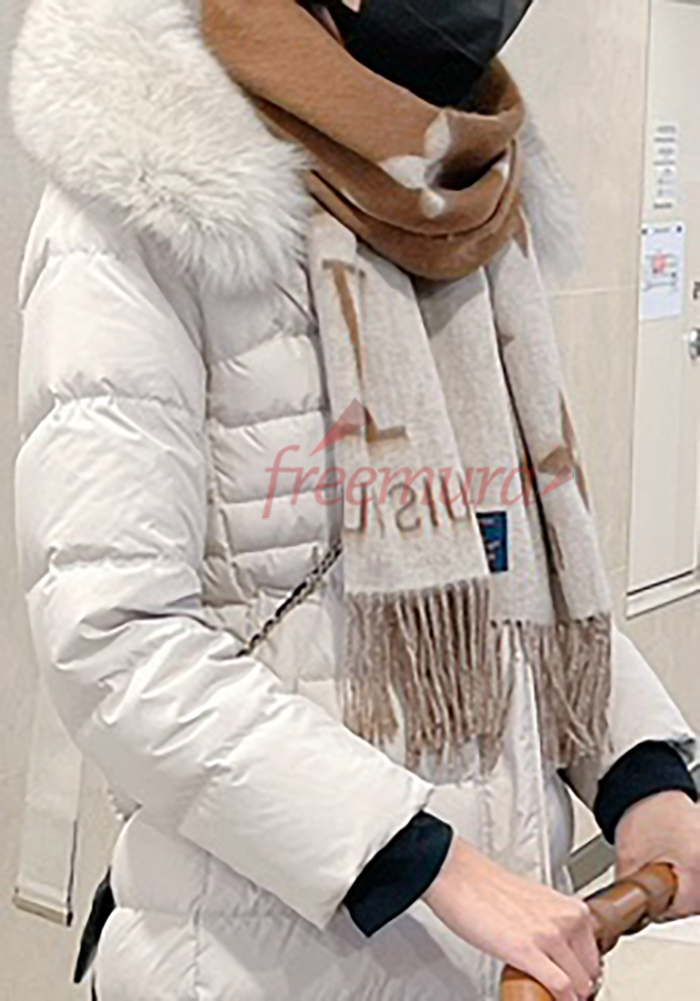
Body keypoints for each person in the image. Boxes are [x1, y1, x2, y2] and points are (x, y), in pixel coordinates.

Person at [10, 1, 700, 999]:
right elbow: (115, 638)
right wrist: (429, 858)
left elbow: (522, 558)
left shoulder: (465, 186)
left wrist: (640, 772)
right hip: (263, 957)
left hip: (505, 951)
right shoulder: (148, 193)